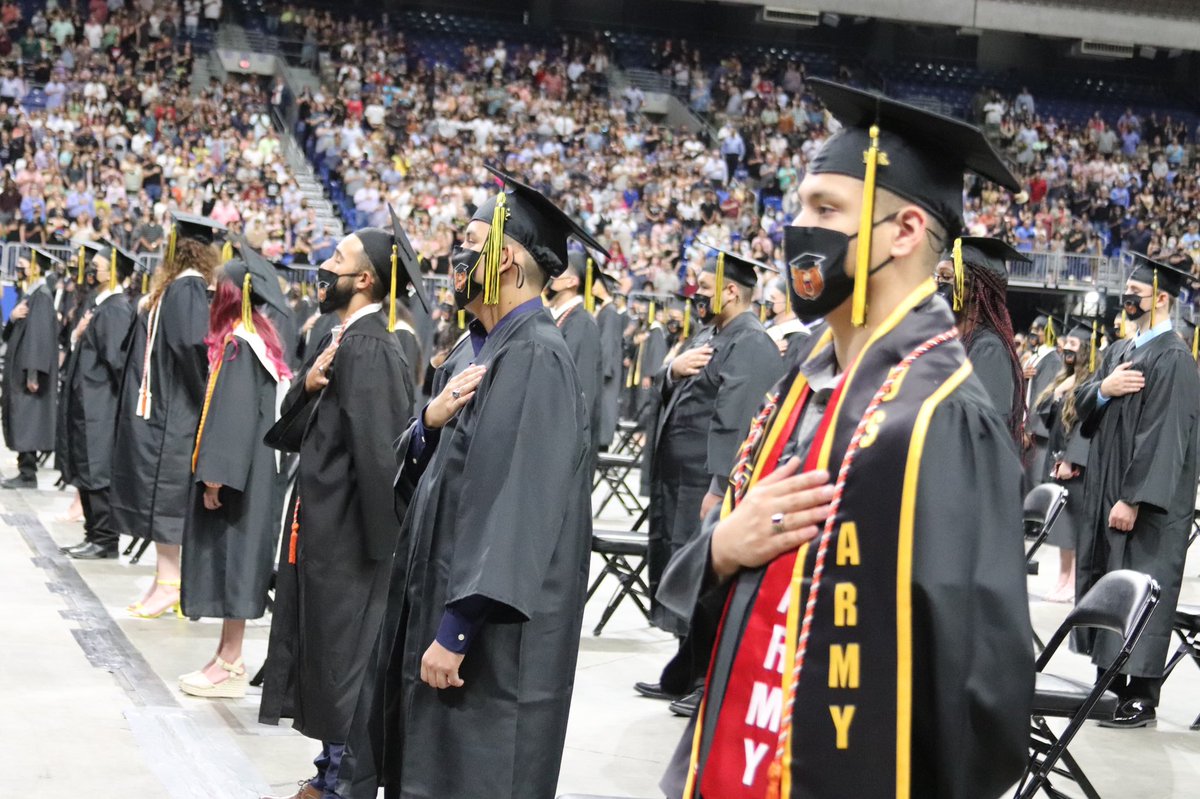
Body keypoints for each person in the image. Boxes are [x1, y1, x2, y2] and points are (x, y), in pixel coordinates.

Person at [657, 79, 1033, 799]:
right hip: (735, 759)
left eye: (826, 209)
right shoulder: (801, 384)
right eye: (800, 206)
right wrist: (721, 548)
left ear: (904, 231)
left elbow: (979, 700)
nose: (798, 227)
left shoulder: (945, 416)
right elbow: (724, 585)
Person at [377, 168, 601, 799]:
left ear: (504, 258)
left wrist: (456, 629)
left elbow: (517, 509)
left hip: (491, 637)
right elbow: (430, 472)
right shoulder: (479, 350)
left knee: (477, 776)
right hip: (447, 601)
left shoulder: (534, 353)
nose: (457, 256)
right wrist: (428, 420)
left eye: (472, 242)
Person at [258, 219, 417, 799]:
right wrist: (309, 383)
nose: (325, 266)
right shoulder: (342, 337)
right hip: (329, 530)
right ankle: (330, 770)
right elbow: (299, 431)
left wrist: (384, 550)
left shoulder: (372, 345)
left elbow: (380, 457)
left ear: (366, 279)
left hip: (355, 538)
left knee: (349, 659)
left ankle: (344, 782)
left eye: (337, 258)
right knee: (330, 654)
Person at [636, 244, 785, 714]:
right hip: (678, 479)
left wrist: (721, 487)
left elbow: (737, 420)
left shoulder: (751, 341)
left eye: (704, 289)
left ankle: (708, 679)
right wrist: (670, 369)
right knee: (680, 568)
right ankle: (684, 668)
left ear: (733, 292)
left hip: (706, 484)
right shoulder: (709, 333)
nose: (695, 296)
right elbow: (665, 385)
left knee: (705, 579)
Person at [1073, 254, 1200, 729]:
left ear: (1161, 298)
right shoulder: (1120, 353)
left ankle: (1141, 695)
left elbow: (1167, 435)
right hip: (1110, 492)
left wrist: (1133, 497)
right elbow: (1083, 405)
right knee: (1112, 580)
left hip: (1146, 508)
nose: (1125, 302)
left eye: (1135, 295)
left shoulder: (1173, 357)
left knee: (1145, 585)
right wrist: (1103, 389)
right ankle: (1109, 682)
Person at [178, 243, 294, 699]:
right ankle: (225, 654)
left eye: (214, 292)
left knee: (236, 561)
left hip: (239, 478)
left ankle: (231, 662)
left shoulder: (241, 347)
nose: (209, 298)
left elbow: (234, 415)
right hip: (254, 472)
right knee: (235, 562)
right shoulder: (256, 338)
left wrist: (214, 477)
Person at [111, 213, 222, 618]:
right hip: (163, 407)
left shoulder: (188, 287)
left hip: (175, 414)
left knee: (167, 500)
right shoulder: (181, 288)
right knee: (158, 497)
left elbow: (193, 349)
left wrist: (202, 404)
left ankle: (171, 582)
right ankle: (165, 580)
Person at [58, 242, 137, 559]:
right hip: (87, 401)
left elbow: (117, 362)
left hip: (100, 405)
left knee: (97, 471)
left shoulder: (116, 308)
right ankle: (93, 534)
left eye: (100, 265)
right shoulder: (102, 305)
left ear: (114, 270)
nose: (93, 269)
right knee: (85, 469)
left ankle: (105, 540)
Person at [934, 237, 1028, 443]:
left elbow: (984, 429)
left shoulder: (989, 349)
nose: (938, 284)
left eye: (946, 277)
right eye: (937, 276)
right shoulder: (949, 339)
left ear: (976, 287)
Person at [1035, 318, 1097, 603]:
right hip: (1057, 459)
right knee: (1061, 524)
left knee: (1074, 524)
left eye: (1073, 345)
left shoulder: (1092, 380)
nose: (1067, 349)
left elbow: (1088, 425)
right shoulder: (1063, 379)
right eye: (1066, 344)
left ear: (1085, 349)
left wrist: (1073, 460)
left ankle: (1073, 582)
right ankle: (1062, 577)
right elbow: (1045, 416)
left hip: (1076, 467)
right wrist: (1059, 391)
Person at [1, 248, 59, 489]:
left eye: (23, 264)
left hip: (29, 371)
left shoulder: (42, 296)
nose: (19, 269)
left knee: (28, 418)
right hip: (20, 368)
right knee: (21, 417)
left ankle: (28, 473)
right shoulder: (30, 294)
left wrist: (33, 372)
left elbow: (39, 337)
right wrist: (12, 318)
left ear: (35, 266)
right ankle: (24, 468)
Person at [545, 250, 604, 454]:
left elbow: (580, 388)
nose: (551, 275)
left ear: (571, 281)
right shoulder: (559, 318)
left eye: (557, 271)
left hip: (565, 440)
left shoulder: (582, 323)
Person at [1023, 313, 1062, 488]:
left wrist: (1030, 429)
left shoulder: (1052, 359)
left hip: (1038, 433)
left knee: (1034, 477)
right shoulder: (1034, 356)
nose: (1033, 333)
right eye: (1032, 329)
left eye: (1038, 330)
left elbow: (1042, 396)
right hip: (1026, 427)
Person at [592, 264, 625, 451]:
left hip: (606, 373)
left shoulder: (610, 312)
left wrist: (601, 370)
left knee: (605, 407)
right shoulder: (605, 310)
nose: (593, 285)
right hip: (604, 369)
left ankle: (602, 443)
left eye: (596, 282)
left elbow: (607, 344)